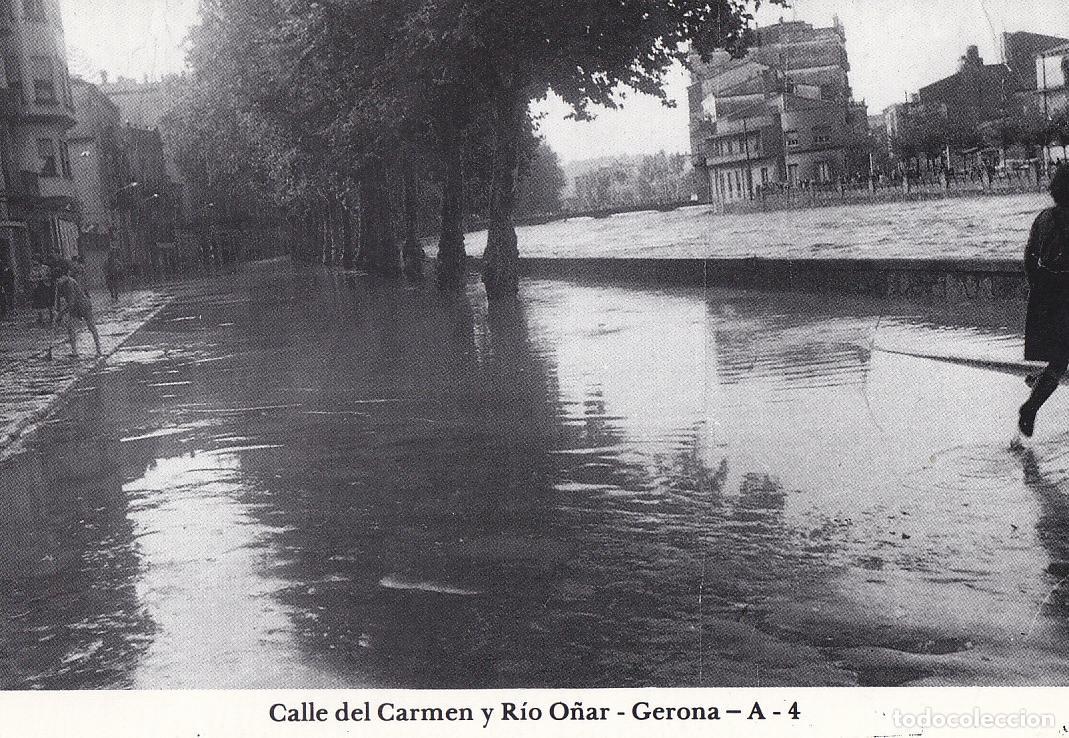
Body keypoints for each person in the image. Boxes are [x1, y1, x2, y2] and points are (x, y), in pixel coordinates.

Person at [1019, 165, 1069, 437]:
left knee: (1059, 359)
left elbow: (1029, 256)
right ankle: (1032, 403)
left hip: (1048, 294)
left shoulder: (1043, 218)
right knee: (1060, 361)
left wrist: (1038, 285)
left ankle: (1034, 401)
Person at [53, 264, 102, 357]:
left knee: (91, 326)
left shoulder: (70, 283)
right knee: (70, 328)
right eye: (57, 279)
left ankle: (98, 349)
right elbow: (57, 300)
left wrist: (61, 314)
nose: (58, 280)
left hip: (83, 305)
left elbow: (71, 302)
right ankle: (74, 351)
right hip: (74, 308)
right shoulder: (59, 285)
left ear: (65, 276)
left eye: (60, 278)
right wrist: (56, 311)